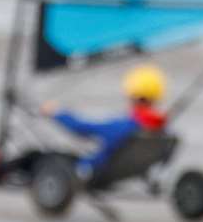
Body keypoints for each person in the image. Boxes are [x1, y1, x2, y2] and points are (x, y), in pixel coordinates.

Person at [37, 64, 170, 177]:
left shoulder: (124, 126)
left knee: (42, 159)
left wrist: (56, 113)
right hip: (122, 173)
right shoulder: (160, 128)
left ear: (131, 94)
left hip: (90, 171)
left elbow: (81, 128)